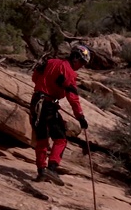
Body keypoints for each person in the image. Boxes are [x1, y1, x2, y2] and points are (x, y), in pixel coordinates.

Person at [29, 45, 91, 186]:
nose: (81, 66)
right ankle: (51, 168)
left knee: (42, 138)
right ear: (75, 58)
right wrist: (80, 117)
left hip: (35, 102)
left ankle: (41, 170)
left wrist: (47, 86)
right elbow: (72, 97)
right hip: (48, 105)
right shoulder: (68, 72)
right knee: (61, 138)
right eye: (82, 62)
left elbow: (35, 77)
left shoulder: (51, 62)